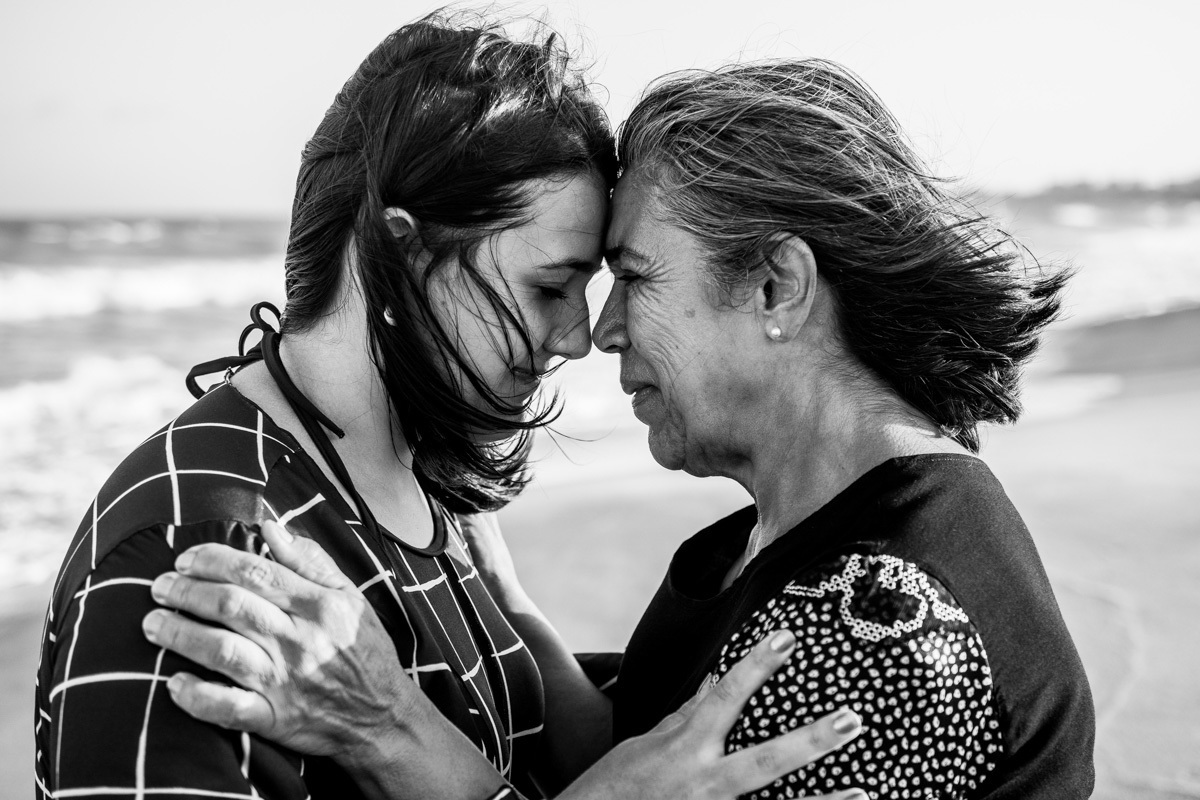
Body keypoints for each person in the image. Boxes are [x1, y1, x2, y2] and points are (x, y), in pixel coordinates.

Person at [134, 56, 1094, 800]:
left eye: (634, 277)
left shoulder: (882, 626)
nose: (601, 331)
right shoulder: (783, 529)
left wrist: (384, 726)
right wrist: (497, 590)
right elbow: (635, 756)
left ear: (776, 287)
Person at [34, 14, 867, 800]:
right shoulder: (206, 553)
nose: (577, 338)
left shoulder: (428, 498)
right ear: (402, 248)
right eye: (551, 285)